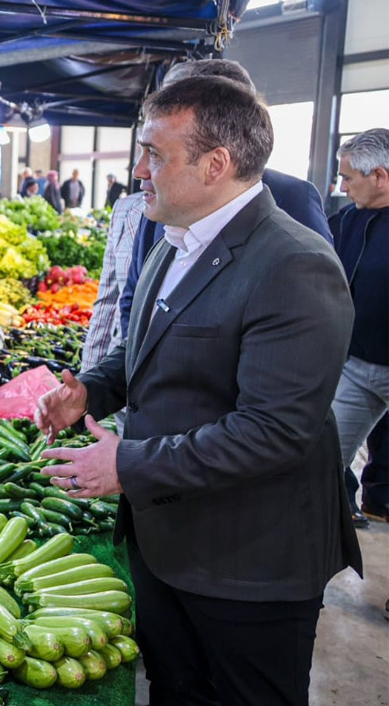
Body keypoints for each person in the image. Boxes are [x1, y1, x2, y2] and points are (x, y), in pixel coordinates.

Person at [34, 76, 360, 705]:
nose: (137, 171)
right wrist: (92, 392)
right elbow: (146, 348)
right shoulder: (172, 242)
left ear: (216, 164)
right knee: (175, 688)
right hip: (168, 542)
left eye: (155, 153)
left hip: (248, 561)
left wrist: (126, 462)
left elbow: (274, 432)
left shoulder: (295, 264)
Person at [117, 59, 333, 342]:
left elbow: (307, 320)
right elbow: (134, 301)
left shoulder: (293, 202)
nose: (139, 171)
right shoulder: (160, 211)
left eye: (155, 154)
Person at [329, 128, 389, 525]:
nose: (342, 186)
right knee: (326, 455)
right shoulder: (346, 220)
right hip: (356, 365)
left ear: (380, 177)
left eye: (349, 178)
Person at [80, 190, 145, 373]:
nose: (139, 172)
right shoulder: (124, 209)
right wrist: (87, 381)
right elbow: (107, 302)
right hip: (117, 367)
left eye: (157, 159)